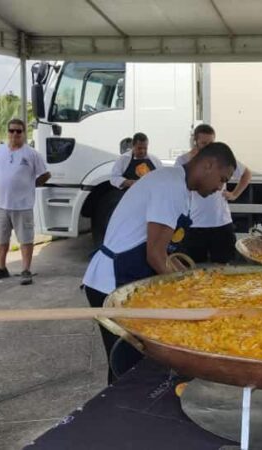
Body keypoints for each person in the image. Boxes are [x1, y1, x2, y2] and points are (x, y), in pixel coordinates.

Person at [83, 142, 237, 383]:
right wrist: (187, 296)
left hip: (127, 278)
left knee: (135, 364)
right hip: (111, 282)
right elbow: (155, 255)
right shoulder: (171, 187)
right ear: (208, 165)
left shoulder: (178, 184)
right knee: (127, 366)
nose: (220, 188)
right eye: (221, 179)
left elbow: (165, 251)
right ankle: (120, 416)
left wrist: (190, 282)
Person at [0, 119, 50, 285]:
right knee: (1, 238)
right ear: (7, 132)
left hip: (23, 206)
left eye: (18, 131)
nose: (14, 134)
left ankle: (26, 270)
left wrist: (31, 185)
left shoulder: (32, 154)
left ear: (24, 133)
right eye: (11, 131)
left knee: (25, 239)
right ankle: (1, 267)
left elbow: (45, 174)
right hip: (1, 205)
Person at [175, 124, 251, 263]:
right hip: (194, 224)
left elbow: (246, 173)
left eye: (211, 143)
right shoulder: (184, 161)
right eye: (204, 143)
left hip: (220, 222)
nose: (207, 147)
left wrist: (234, 194)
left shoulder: (222, 159)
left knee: (225, 265)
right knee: (192, 267)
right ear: (195, 141)